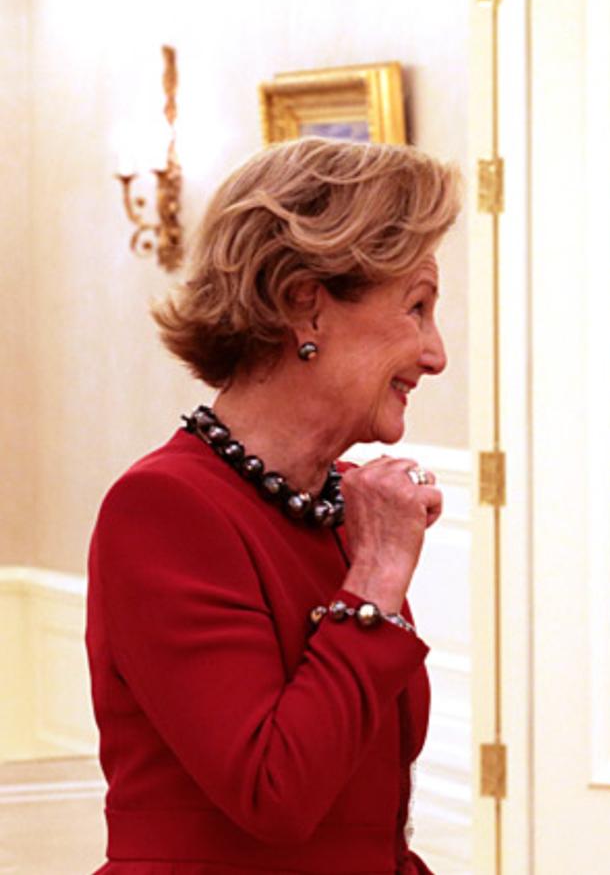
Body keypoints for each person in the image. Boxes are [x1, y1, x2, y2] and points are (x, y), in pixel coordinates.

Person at [86, 137, 460, 874]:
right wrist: (377, 578)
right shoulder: (163, 508)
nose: (436, 353)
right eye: (416, 308)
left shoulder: (341, 504)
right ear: (303, 305)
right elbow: (275, 791)